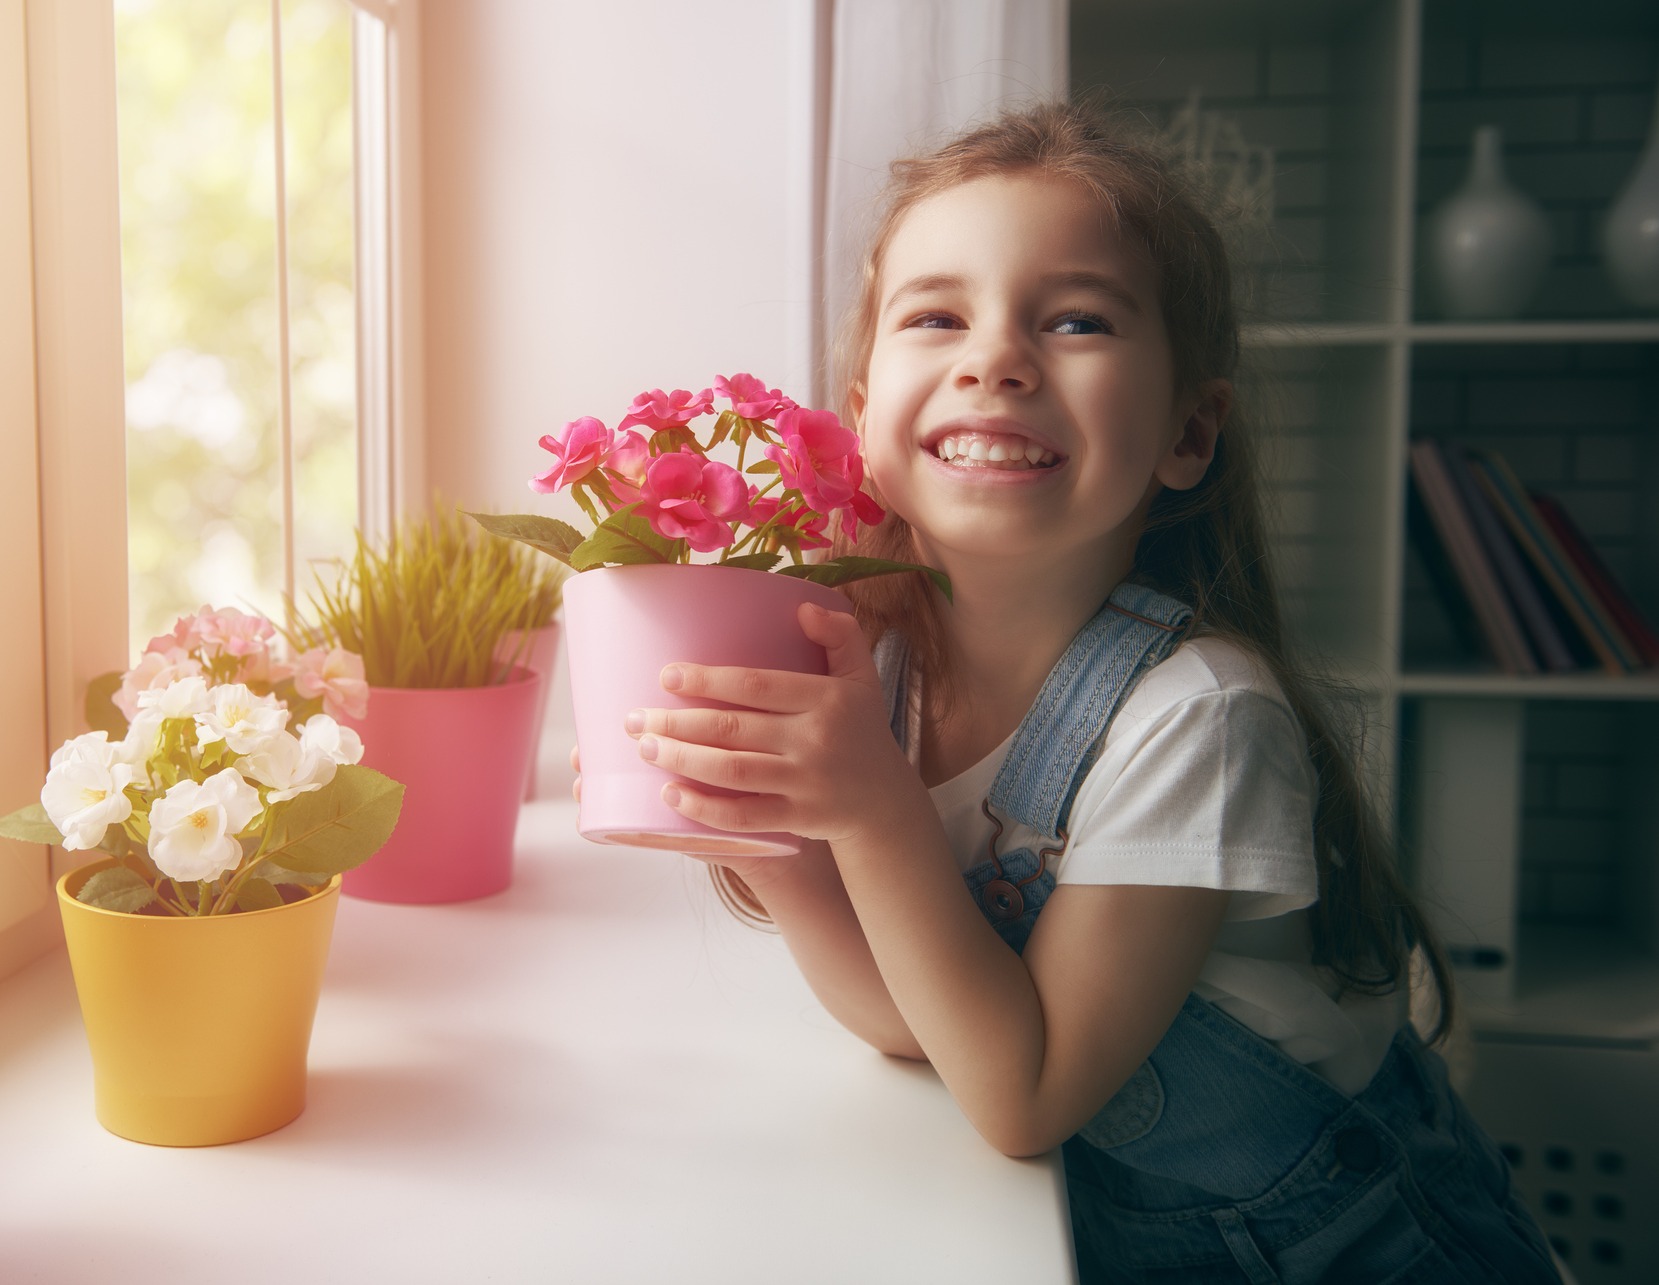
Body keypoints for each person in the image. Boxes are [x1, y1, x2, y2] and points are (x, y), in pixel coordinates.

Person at [595, 103, 1557, 1282]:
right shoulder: (876, 665)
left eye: (1076, 320)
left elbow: (1023, 1094)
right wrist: (777, 844)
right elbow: (928, 1022)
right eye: (937, 314)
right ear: (858, 418)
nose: (992, 357)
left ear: (1188, 432)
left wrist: (866, 808)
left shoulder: (1199, 716)